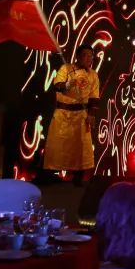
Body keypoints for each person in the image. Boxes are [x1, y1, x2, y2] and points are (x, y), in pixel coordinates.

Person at [44, 45, 100, 186]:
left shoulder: (93, 75)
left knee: (81, 147)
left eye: (91, 56)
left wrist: (91, 115)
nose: (88, 59)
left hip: (81, 115)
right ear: (78, 56)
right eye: (85, 55)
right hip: (63, 114)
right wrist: (68, 85)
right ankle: (49, 176)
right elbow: (57, 86)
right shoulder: (66, 69)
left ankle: (78, 177)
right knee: (58, 145)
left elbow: (94, 97)